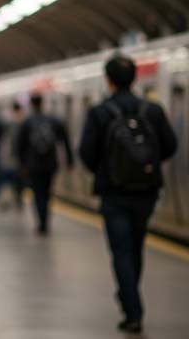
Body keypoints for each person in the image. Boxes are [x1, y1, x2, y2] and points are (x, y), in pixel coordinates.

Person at [78, 56, 177, 334]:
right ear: (135, 78)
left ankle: (131, 308)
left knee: (120, 250)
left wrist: (107, 170)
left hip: (113, 193)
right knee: (136, 246)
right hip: (146, 192)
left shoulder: (100, 113)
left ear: (108, 80)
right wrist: (145, 165)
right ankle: (130, 297)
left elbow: (87, 153)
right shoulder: (153, 111)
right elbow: (170, 146)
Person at [15, 93, 74, 235]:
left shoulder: (27, 122)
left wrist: (22, 164)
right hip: (50, 163)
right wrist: (69, 161)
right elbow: (65, 140)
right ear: (43, 102)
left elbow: (20, 145)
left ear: (31, 104)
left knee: (37, 193)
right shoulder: (54, 121)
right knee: (48, 192)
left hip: (33, 164)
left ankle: (41, 222)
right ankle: (46, 220)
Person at [0, 102, 25, 210]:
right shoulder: (23, 123)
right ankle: (18, 200)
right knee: (18, 182)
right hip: (18, 159)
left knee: (7, 181)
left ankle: (6, 200)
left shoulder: (7, 124)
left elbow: (3, 143)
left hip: (8, 159)